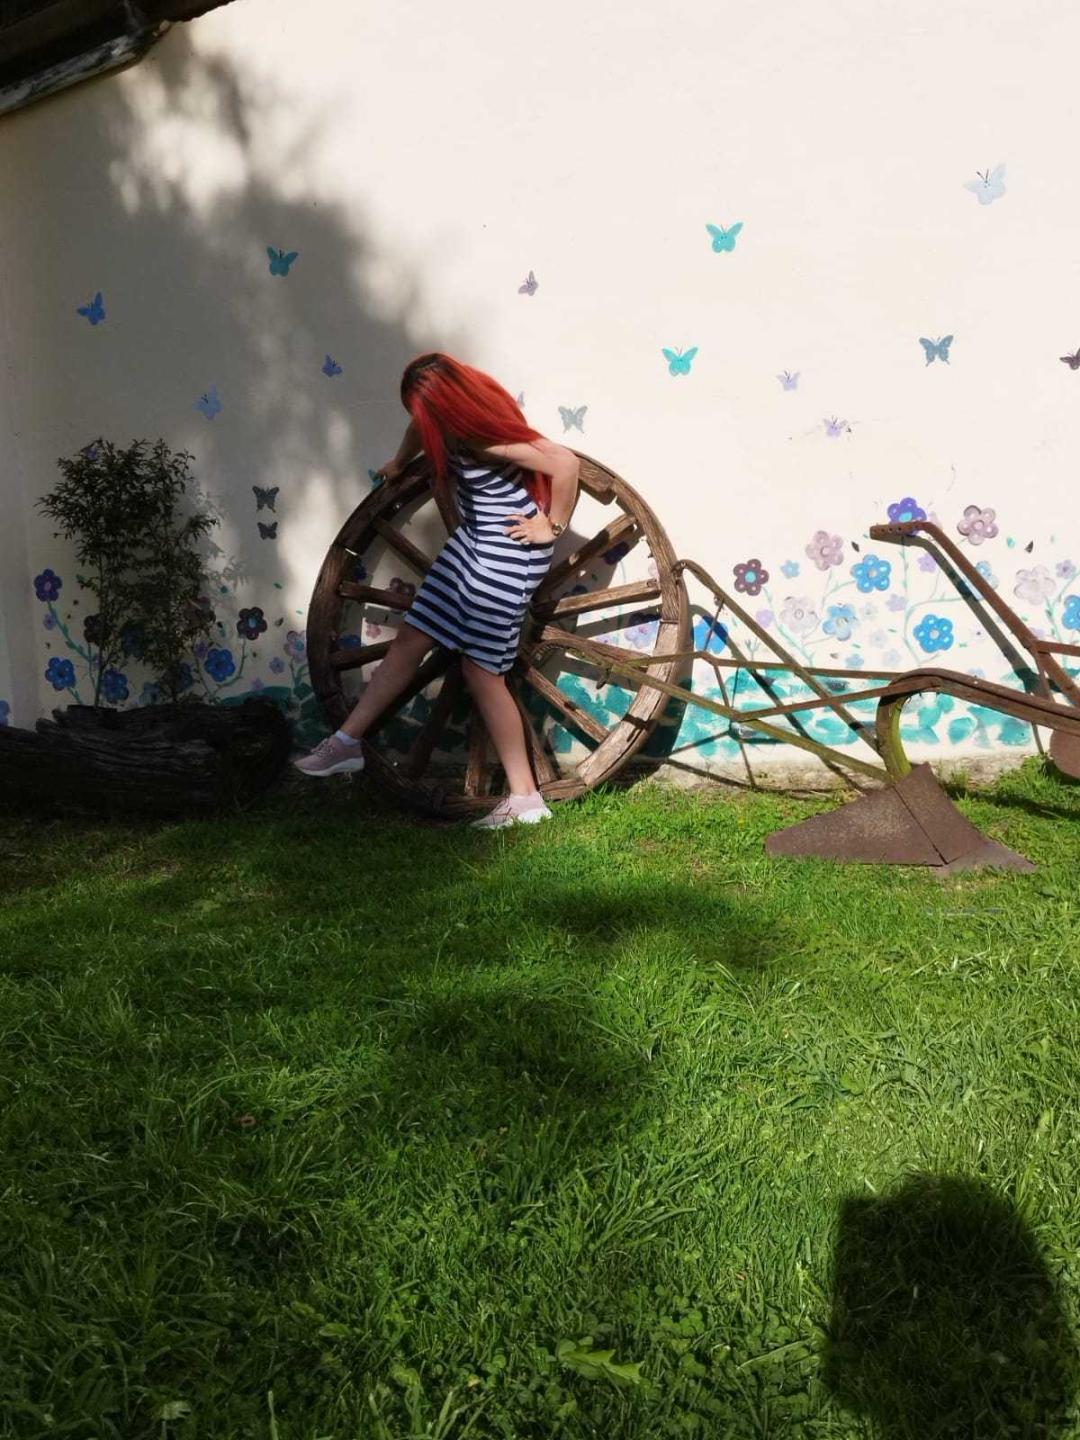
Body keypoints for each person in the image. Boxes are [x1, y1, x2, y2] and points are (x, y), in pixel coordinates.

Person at [293, 352, 581, 828]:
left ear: (446, 409)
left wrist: (551, 525)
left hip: (508, 553)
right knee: (411, 638)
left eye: (424, 414)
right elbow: (417, 428)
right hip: (473, 542)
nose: (421, 423)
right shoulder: (445, 423)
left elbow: (563, 463)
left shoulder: (485, 438)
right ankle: (346, 743)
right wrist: (399, 460)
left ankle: (526, 800)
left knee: (481, 671)